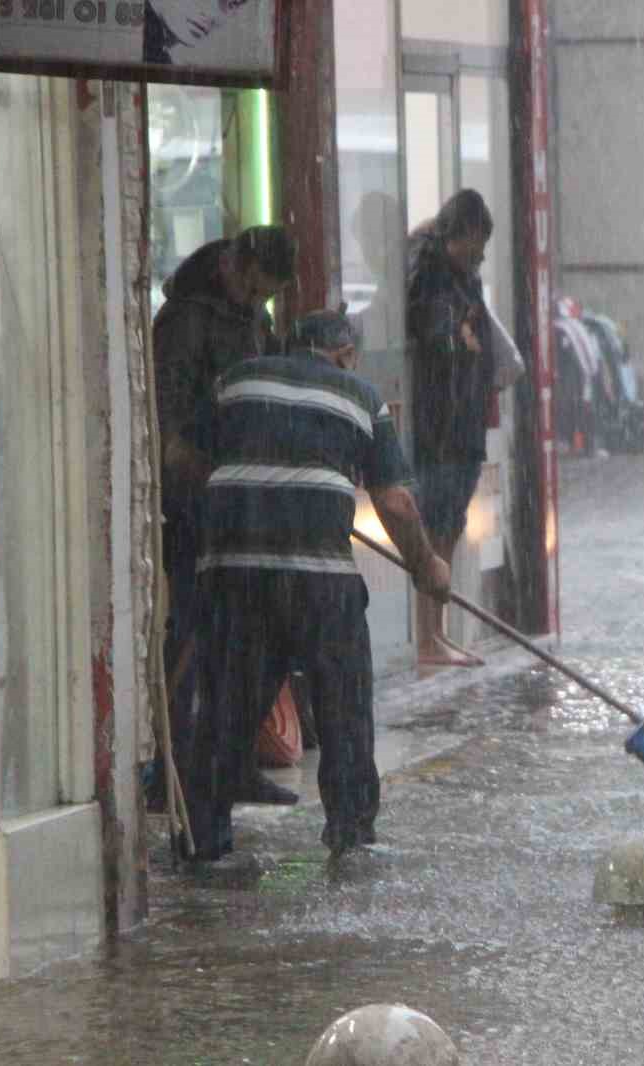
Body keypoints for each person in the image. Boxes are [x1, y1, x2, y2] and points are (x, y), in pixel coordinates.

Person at [183, 309, 451, 861]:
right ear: (346, 355)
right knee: (344, 703)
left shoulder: (236, 380)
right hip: (319, 583)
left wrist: (237, 505)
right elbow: (396, 502)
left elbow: (181, 457)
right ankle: (350, 835)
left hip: (234, 573)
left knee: (226, 705)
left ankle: (203, 840)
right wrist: (427, 566)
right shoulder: (360, 396)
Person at [152, 224, 297, 809]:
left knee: (249, 641)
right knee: (191, 637)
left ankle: (231, 763)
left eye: (267, 297)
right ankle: (174, 773)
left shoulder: (250, 321)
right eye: (255, 289)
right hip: (197, 507)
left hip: (247, 503)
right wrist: (204, 478)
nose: (258, 303)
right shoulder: (186, 322)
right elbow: (168, 424)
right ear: (235, 265)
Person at [405, 189, 497, 668]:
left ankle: (436, 634)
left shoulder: (463, 276)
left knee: (448, 529)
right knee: (433, 530)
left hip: (461, 422)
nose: (479, 255)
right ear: (457, 233)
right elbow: (435, 339)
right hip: (440, 425)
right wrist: (459, 339)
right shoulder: (432, 272)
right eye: (475, 244)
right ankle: (427, 637)